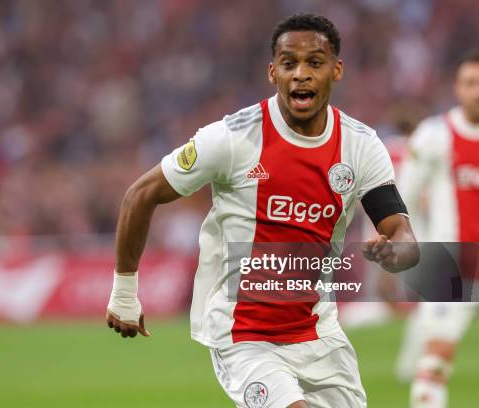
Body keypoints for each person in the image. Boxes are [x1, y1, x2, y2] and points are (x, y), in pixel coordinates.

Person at [106, 13, 419, 408]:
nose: (301, 74)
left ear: (336, 70)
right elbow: (140, 193)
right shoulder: (232, 137)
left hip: (319, 332)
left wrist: (397, 253)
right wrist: (124, 293)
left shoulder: (361, 146)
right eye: (289, 63)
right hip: (243, 336)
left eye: (314, 63)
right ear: (273, 72)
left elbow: (401, 230)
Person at [395, 49, 479, 408]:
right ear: (456, 88)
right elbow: (401, 197)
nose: (477, 91)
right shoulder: (434, 135)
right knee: (433, 364)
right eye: (470, 83)